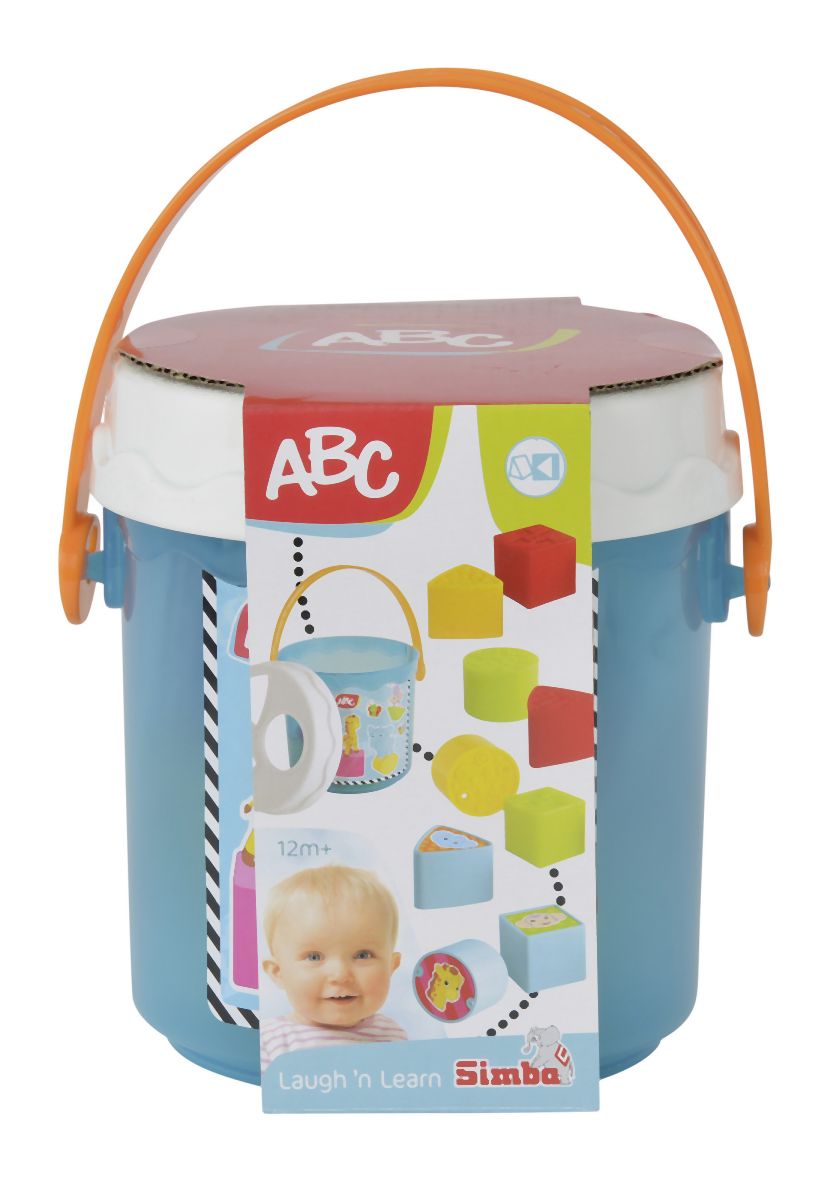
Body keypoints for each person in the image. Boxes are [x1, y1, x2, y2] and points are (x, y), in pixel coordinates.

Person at [260, 864, 407, 1069]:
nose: (340, 975)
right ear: (278, 973)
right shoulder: (269, 1040)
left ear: (391, 966)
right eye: (314, 957)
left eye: (363, 955)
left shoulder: (392, 1035)